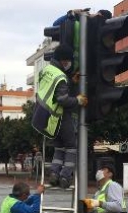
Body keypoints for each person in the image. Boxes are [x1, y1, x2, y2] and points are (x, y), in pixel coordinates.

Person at [31, 44, 88, 189]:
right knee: (71, 147)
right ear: (64, 61)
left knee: (59, 147)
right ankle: (65, 176)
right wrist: (78, 100)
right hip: (60, 117)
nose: (69, 64)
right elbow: (62, 99)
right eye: (68, 61)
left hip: (45, 118)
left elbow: (53, 88)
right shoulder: (61, 77)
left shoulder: (47, 71)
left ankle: (54, 174)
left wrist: (70, 81)